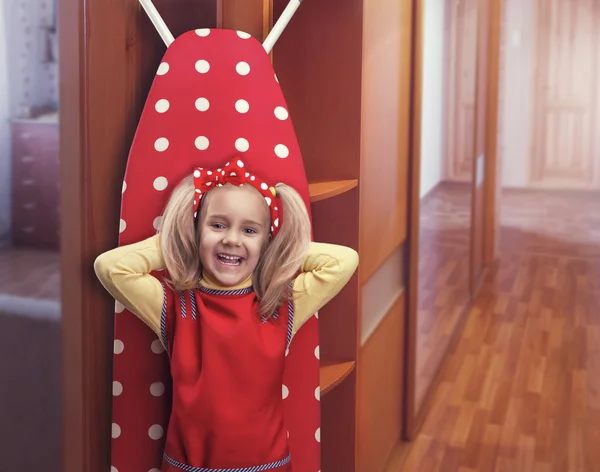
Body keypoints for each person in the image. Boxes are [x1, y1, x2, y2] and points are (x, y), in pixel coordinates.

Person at [94, 158, 359, 472]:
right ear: (196, 231)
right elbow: (111, 268)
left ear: (267, 240)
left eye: (249, 229)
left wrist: (280, 247)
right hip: (189, 466)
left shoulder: (281, 304)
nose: (232, 239)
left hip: (267, 466)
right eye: (217, 225)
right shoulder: (176, 305)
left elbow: (344, 260)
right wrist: (176, 241)